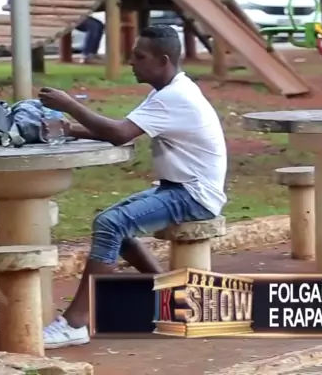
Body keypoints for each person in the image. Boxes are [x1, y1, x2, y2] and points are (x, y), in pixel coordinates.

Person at [37, 25, 228, 349]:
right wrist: (70, 129)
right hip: (180, 188)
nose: (131, 61)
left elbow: (120, 133)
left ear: (163, 60)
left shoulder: (174, 97)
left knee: (111, 224)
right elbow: (123, 130)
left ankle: (75, 323)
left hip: (194, 195)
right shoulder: (169, 91)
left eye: (139, 56)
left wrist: (70, 105)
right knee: (111, 224)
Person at [58, 0, 103, 64]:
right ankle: (86, 55)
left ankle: (91, 53)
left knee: (99, 25)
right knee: (94, 26)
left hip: (65, 14)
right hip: (69, 16)